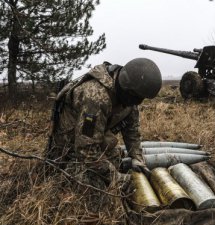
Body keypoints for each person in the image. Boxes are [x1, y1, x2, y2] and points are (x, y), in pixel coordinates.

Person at [47, 58, 162, 189]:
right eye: (136, 98)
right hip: (69, 151)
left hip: (92, 142)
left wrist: (136, 158)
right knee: (93, 185)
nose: (138, 103)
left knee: (116, 161)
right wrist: (116, 178)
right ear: (127, 89)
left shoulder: (129, 96)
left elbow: (132, 131)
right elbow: (86, 150)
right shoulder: (96, 97)